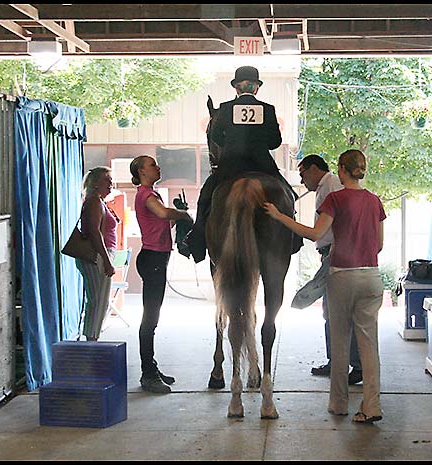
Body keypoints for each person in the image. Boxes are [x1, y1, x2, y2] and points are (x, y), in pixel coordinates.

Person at [264, 149, 386, 424]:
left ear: (342, 169)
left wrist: (279, 216)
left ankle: (339, 403)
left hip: (343, 275)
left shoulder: (335, 199)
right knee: (369, 345)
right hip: (372, 277)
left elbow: (315, 234)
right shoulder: (374, 201)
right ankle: (372, 406)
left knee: (340, 341)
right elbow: (378, 244)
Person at [184, 65, 300, 263]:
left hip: (230, 166)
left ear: (236, 88)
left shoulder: (225, 109)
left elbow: (217, 138)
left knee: (205, 198)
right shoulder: (268, 109)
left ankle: (196, 240)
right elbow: (275, 142)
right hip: (263, 166)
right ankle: (294, 236)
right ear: (256, 88)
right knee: (289, 194)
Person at [293, 154, 363, 385]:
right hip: (335, 254)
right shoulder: (328, 189)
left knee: (338, 313)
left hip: (336, 255)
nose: (302, 180)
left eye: (303, 174)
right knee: (330, 312)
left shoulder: (332, 187)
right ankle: (338, 361)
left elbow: (319, 231)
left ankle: (352, 363)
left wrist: (280, 217)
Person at [130, 155, 194, 394]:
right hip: (152, 259)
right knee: (150, 319)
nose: (158, 167)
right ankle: (148, 373)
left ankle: (152, 366)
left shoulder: (152, 194)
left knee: (152, 317)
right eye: (152, 165)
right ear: (141, 172)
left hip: (158, 258)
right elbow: (165, 214)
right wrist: (183, 214)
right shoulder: (145, 195)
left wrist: (178, 217)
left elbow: (164, 223)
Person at [75, 166, 118, 341]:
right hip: (97, 256)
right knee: (98, 301)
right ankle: (91, 339)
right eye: (106, 180)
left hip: (101, 254)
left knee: (99, 300)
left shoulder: (98, 201)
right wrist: (107, 261)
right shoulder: (93, 202)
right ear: (95, 184)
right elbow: (94, 232)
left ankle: (93, 336)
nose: (110, 183)